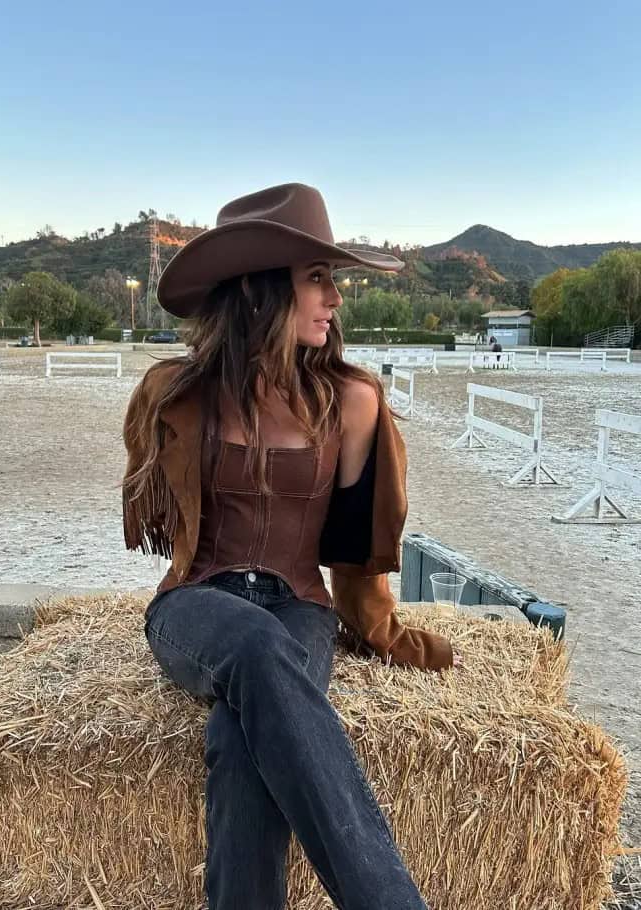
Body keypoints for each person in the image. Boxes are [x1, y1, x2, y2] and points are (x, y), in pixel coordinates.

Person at [122, 183, 458, 910]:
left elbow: (353, 555)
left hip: (300, 607)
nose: (335, 297)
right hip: (195, 605)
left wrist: (381, 631)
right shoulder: (177, 394)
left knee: (242, 743)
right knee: (250, 641)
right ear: (258, 289)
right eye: (318, 278)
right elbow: (159, 520)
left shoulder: (355, 403)